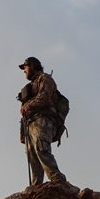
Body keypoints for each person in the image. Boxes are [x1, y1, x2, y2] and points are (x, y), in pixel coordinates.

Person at [18, 56, 67, 188]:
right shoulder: (30, 87)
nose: (24, 71)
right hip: (30, 124)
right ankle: (36, 186)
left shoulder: (45, 79)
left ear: (32, 66)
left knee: (42, 149)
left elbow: (44, 97)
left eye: (25, 67)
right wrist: (22, 131)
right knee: (32, 155)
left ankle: (57, 178)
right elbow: (24, 113)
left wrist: (28, 106)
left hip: (44, 120)